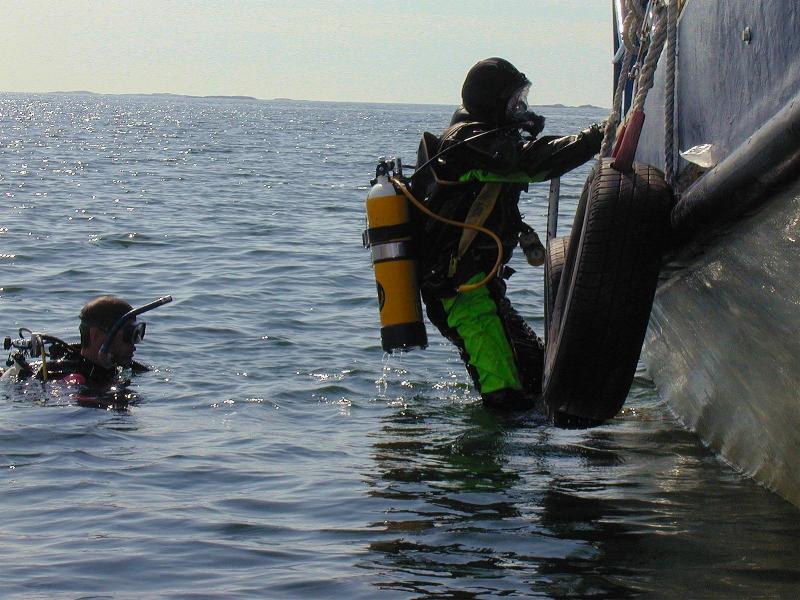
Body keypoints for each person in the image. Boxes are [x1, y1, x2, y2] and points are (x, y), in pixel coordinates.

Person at [409, 57, 603, 411]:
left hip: (481, 288)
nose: (521, 108)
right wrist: (598, 136)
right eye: (514, 102)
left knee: (538, 382)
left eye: (522, 100)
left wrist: (522, 126)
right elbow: (528, 163)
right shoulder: (467, 142)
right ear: (491, 102)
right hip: (461, 295)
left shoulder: (482, 137)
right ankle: (487, 447)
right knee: (505, 400)